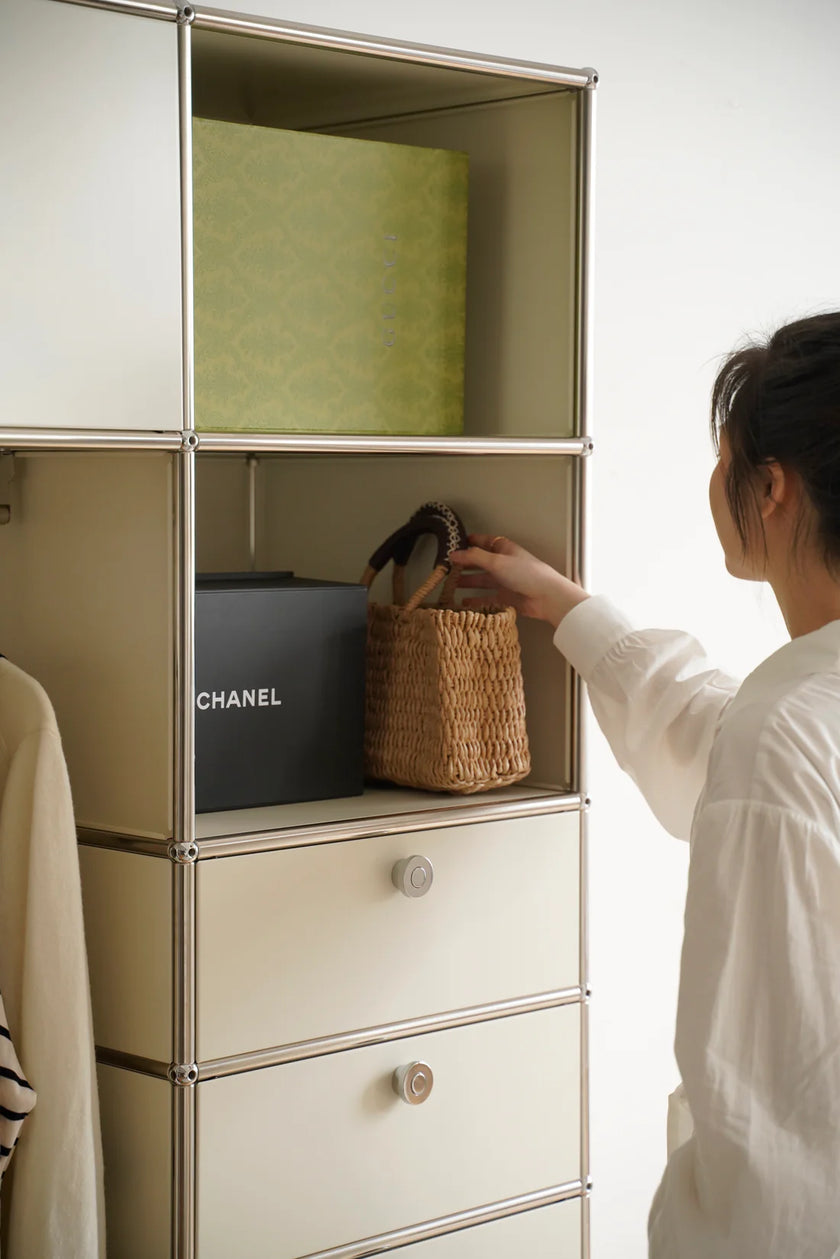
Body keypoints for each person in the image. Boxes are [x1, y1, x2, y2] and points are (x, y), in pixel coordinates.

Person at [449, 311, 840, 1259]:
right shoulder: (795, 714)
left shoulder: (786, 730)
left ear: (773, 486)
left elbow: (773, 1121)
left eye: (724, 458)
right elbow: (713, 739)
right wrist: (573, 610)